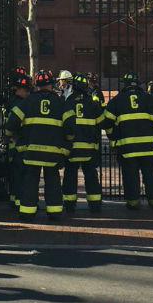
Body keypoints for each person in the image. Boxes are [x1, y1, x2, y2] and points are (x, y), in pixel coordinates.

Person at [5, 70, 76, 221]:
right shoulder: (60, 102)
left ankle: (27, 213)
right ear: (51, 85)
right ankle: (55, 212)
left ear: (36, 85)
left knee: (30, 180)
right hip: (53, 152)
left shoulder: (27, 101)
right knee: (53, 180)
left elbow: (11, 123)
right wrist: (68, 140)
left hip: (31, 151)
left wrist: (10, 135)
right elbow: (70, 126)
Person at [101, 71, 153, 210]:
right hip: (149, 147)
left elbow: (106, 123)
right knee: (151, 175)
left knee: (130, 176)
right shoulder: (150, 99)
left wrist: (113, 138)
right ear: (138, 84)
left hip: (127, 148)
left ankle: (133, 203)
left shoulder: (116, 101)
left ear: (124, 84)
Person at [61, 73, 105, 212]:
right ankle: (95, 204)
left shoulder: (67, 102)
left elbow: (63, 124)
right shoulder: (92, 103)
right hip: (89, 148)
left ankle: (69, 205)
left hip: (72, 148)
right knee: (91, 176)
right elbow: (102, 122)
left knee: (70, 176)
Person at [5, 69, 32, 210]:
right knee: (20, 175)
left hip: (14, 145)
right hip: (18, 145)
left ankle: (14, 200)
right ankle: (19, 202)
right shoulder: (19, 104)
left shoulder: (13, 101)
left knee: (15, 175)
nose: (28, 93)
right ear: (19, 89)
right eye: (26, 90)